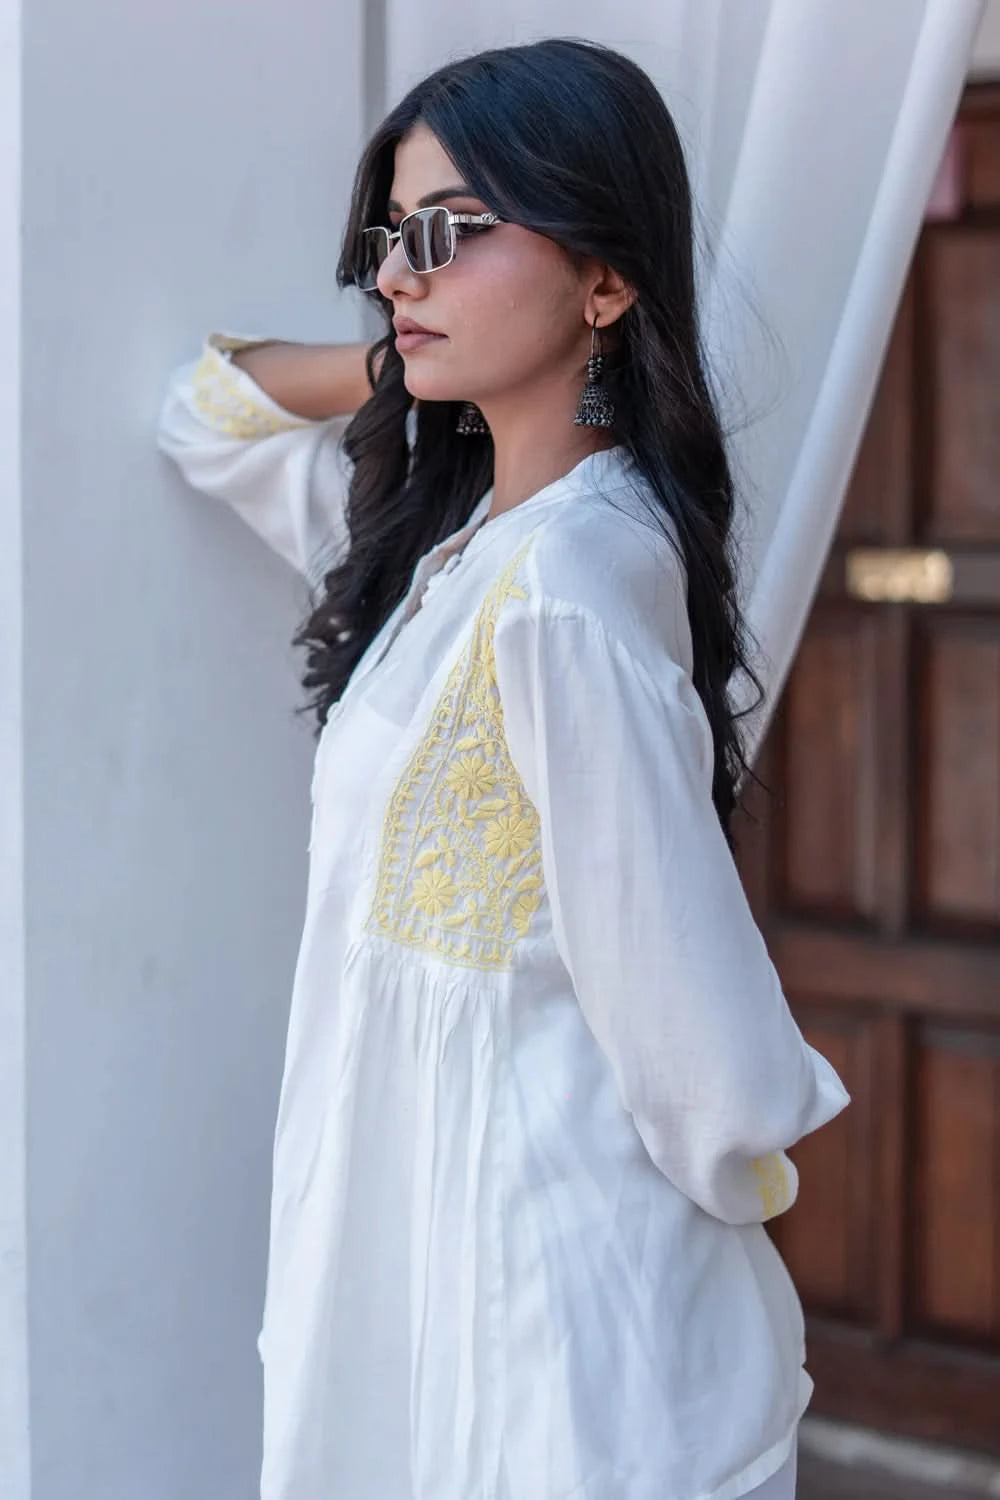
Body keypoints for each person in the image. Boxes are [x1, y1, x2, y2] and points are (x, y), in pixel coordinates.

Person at [157, 36, 850, 1500]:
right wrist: (404, 359)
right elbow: (201, 415)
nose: (398, 276)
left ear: (607, 278)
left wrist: (748, 1180)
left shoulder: (574, 589)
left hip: (538, 1296)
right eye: (387, 243)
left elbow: (707, 1056)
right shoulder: (445, 543)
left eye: (449, 234)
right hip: (404, 1258)